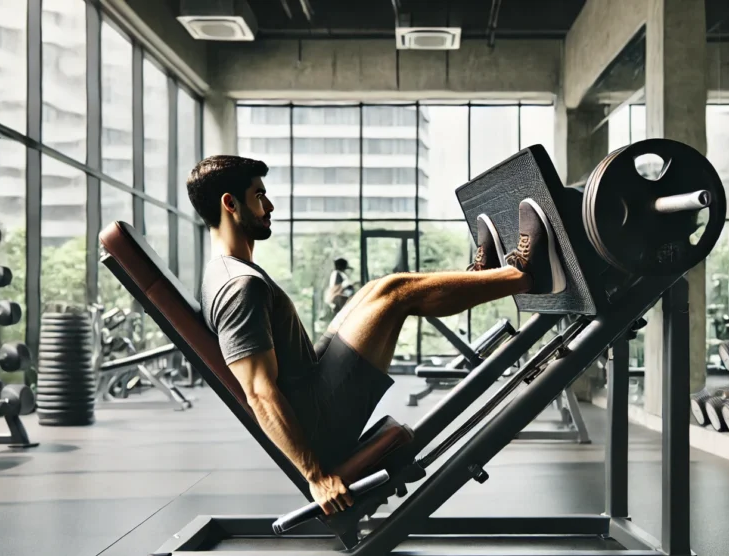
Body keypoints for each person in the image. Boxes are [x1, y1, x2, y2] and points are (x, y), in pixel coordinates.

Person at [189, 155, 566, 516]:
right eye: (259, 195)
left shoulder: (226, 270)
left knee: (379, 287)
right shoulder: (239, 286)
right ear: (230, 204)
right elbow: (259, 393)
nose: (269, 205)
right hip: (319, 425)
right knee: (396, 293)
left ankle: (485, 277)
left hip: (312, 390)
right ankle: (526, 275)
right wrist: (316, 476)